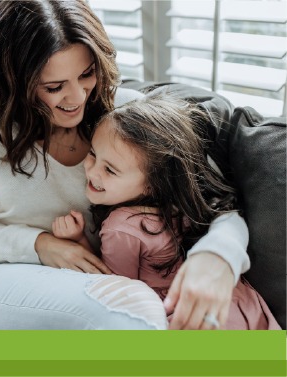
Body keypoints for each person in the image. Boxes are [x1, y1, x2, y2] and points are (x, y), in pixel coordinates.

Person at [0, 0, 250, 330]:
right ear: (17, 82)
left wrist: (218, 256)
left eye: (86, 74)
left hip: (103, 282)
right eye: (54, 87)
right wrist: (40, 245)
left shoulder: (130, 116)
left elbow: (218, 205)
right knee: (132, 307)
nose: (77, 98)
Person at [52, 94, 281, 330]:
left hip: (181, 312)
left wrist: (78, 240)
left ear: (152, 184)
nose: (92, 171)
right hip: (237, 303)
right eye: (92, 153)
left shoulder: (121, 226)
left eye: (110, 170)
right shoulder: (183, 204)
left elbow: (115, 288)